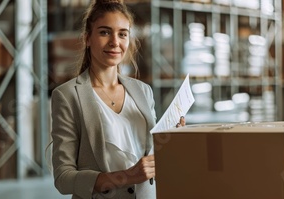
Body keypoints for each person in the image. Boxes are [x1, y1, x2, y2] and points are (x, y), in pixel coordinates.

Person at [50, 0, 185, 198]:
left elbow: (149, 154)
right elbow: (63, 178)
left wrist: (171, 139)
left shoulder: (143, 91)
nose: (115, 42)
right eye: (105, 32)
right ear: (87, 38)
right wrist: (128, 176)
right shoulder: (68, 96)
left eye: (122, 34)